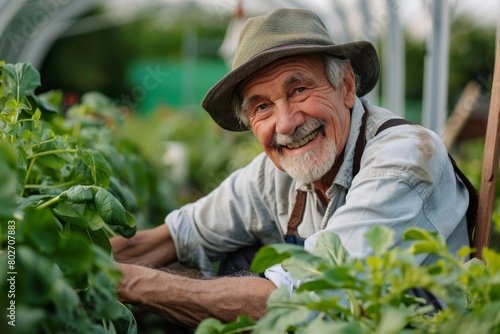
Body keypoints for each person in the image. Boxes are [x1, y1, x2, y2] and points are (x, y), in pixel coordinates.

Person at [111, 8, 471, 328]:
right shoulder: (274, 174)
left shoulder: (404, 158)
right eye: (261, 107)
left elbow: (302, 301)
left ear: (346, 86)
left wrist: (129, 283)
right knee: (239, 258)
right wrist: (79, 264)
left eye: (298, 90)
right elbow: (177, 236)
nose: (285, 124)